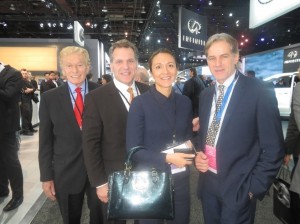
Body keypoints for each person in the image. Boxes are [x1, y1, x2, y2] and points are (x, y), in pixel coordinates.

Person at [194, 33, 284, 224]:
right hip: (207, 184)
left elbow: (274, 147)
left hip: (239, 187)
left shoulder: (259, 91)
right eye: (212, 58)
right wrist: (199, 156)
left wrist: (253, 189)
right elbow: (206, 136)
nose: (217, 63)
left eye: (224, 56)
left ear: (236, 57)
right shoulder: (205, 94)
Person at [82, 39, 150, 224]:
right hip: (112, 178)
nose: (125, 66)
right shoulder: (96, 98)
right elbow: (90, 144)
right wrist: (100, 182)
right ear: (111, 65)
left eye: (130, 61)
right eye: (119, 61)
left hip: (146, 175)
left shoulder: (149, 92)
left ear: (136, 63)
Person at [126, 48, 195, 224]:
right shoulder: (140, 104)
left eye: (170, 65)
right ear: (151, 72)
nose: (165, 71)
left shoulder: (185, 103)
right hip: (150, 180)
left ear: (177, 69)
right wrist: (168, 158)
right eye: (158, 67)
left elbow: (187, 139)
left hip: (179, 180)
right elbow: (133, 150)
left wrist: (194, 149)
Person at [38, 46, 103, 224]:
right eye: (69, 66)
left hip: (99, 171)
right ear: (62, 69)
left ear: (88, 67)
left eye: (80, 65)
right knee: (70, 218)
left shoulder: (102, 93)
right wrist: (46, 176)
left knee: (100, 218)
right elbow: (45, 141)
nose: (75, 70)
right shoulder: (49, 98)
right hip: (65, 172)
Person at [0, 62, 24, 212]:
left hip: (7, 127)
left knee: (11, 162)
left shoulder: (13, 74)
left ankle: (18, 195)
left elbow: (9, 95)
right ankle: (2, 189)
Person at [20, 68, 35, 135]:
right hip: (23, 100)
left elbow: (33, 88)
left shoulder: (27, 81)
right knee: (25, 116)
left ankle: (29, 128)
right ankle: (25, 131)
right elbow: (25, 91)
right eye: (23, 73)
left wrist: (31, 89)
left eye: (26, 73)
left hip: (28, 100)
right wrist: (30, 89)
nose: (25, 75)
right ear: (20, 74)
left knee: (29, 115)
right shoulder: (20, 81)